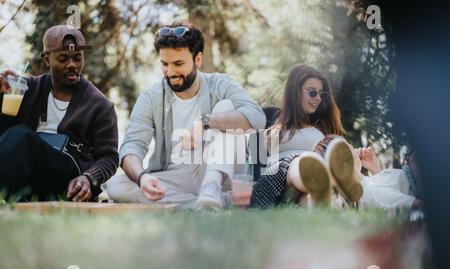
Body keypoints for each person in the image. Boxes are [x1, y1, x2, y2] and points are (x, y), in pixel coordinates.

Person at [106, 22, 266, 209]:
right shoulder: (151, 97)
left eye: (178, 63)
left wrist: (204, 122)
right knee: (117, 185)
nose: (171, 72)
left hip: (219, 171)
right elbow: (132, 145)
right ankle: (216, 203)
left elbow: (257, 117)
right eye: (165, 64)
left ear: (198, 59)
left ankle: (211, 188)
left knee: (225, 107)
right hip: (177, 176)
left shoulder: (220, 84)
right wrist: (142, 178)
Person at [0, 25, 119, 202]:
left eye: (77, 58)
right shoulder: (26, 88)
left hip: (68, 176)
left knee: (23, 137)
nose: (72, 65)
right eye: (63, 58)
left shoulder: (99, 105)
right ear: (47, 58)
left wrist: (89, 177)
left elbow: (109, 157)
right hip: (29, 172)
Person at [249, 64, 348, 208]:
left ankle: (331, 197)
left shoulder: (322, 126)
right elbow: (254, 159)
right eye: (312, 92)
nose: (318, 98)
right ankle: (324, 183)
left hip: (307, 186)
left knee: (310, 200)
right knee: (299, 162)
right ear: (295, 92)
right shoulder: (270, 118)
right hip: (275, 180)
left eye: (321, 94)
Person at [299, 135, 422, 212]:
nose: (354, 147)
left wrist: (376, 169)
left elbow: (392, 189)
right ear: (343, 159)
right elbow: (418, 207)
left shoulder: (370, 185)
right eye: (348, 146)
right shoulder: (370, 190)